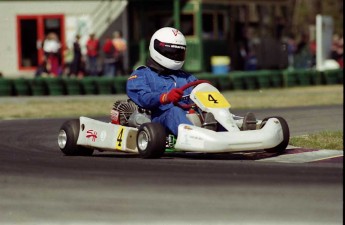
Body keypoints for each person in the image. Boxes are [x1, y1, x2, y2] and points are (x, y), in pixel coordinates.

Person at [126, 27, 198, 136]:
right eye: (171, 52)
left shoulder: (187, 78)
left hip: (189, 117)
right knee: (175, 111)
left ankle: (227, 134)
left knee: (212, 112)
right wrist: (165, 97)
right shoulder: (142, 75)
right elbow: (143, 97)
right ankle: (195, 138)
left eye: (179, 52)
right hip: (157, 120)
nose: (175, 56)